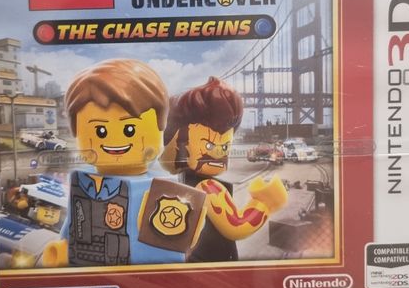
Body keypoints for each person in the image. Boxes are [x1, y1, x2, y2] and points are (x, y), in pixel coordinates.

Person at [43, 59, 203, 267]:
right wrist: (62, 250)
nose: (114, 141)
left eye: (129, 129)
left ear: (160, 127)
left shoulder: (163, 191)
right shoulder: (82, 182)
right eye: (100, 131)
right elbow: (72, 225)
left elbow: (174, 240)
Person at [161, 77, 287, 262]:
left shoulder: (180, 183)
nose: (219, 152)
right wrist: (265, 203)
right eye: (209, 145)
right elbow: (237, 226)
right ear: (179, 143)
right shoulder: (207, 187)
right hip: (212, 262)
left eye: (225, 146)